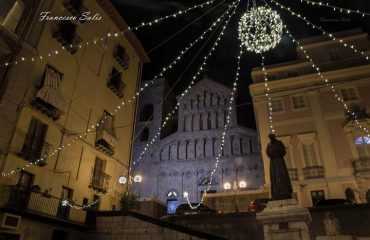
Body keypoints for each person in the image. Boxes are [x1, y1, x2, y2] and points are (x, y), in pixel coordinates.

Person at [266, 133, 293, 200]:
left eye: (271, 137)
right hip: (273, 163)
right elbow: (267, 152)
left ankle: (284, 191)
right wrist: (271, 153)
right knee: (274, 176)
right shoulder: (269, 145)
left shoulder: (279, 143)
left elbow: (283, 152)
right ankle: (276, 191)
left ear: (274, 137)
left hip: (279, 161)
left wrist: (276, 153)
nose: (271, 138)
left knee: (281, 174)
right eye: (270, 137)